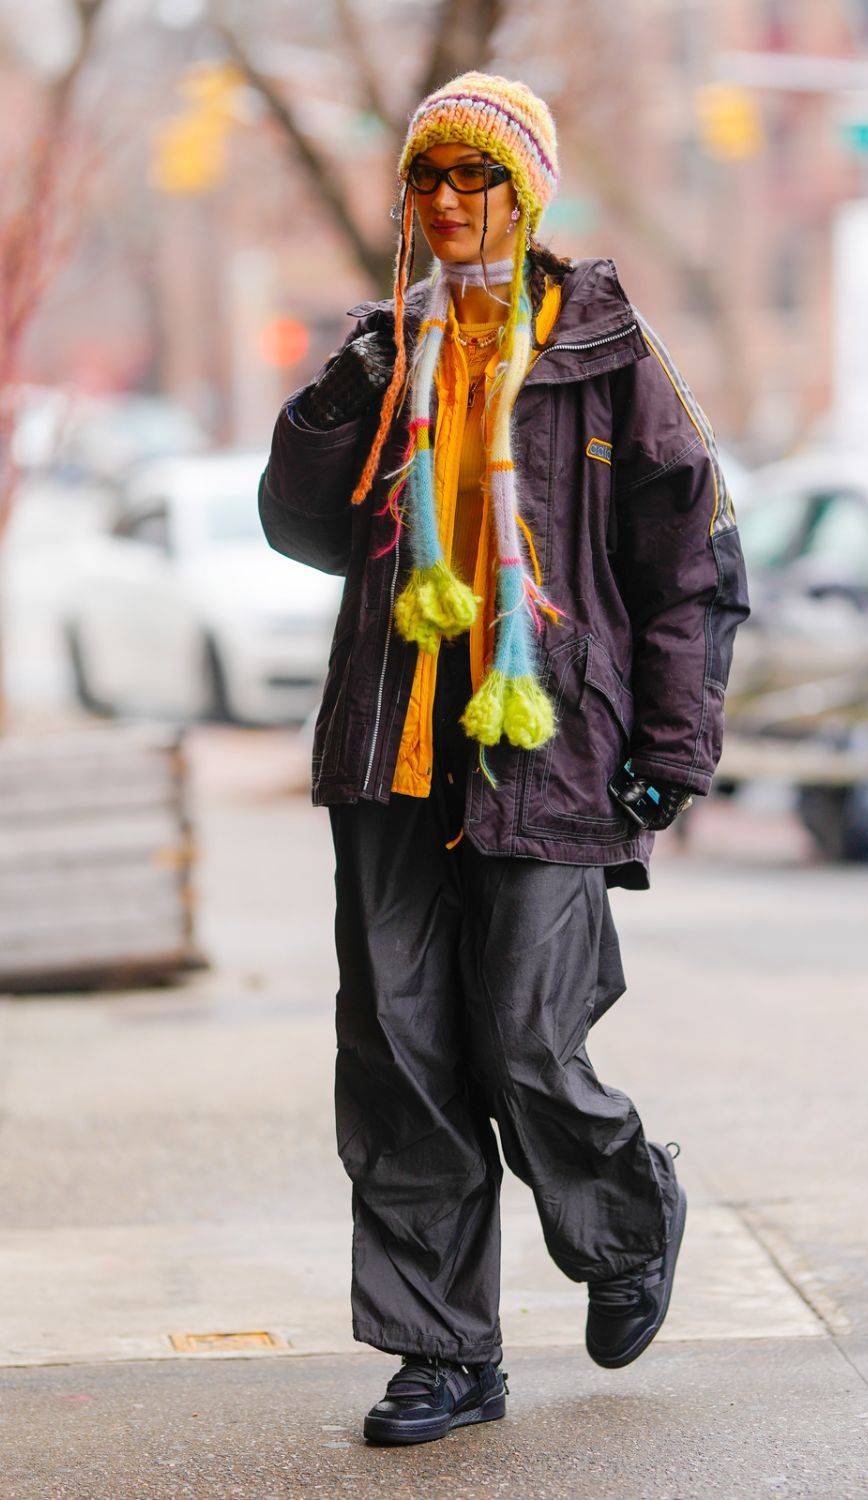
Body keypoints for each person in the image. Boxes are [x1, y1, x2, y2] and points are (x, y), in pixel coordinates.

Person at [259, 71, 751, 1447]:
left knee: (529, 1041)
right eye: (429, 179)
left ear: (523, 195)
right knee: (404, 1055)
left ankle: (627, 1219)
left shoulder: (604, 352)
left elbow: (695, 569)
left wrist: (671, 752)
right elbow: (301, 526)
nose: (452, 204)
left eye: (479, 180)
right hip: (397, 748)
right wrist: (338, 396)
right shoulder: (386, 350)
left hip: (551, 748)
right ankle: (442, 1352)